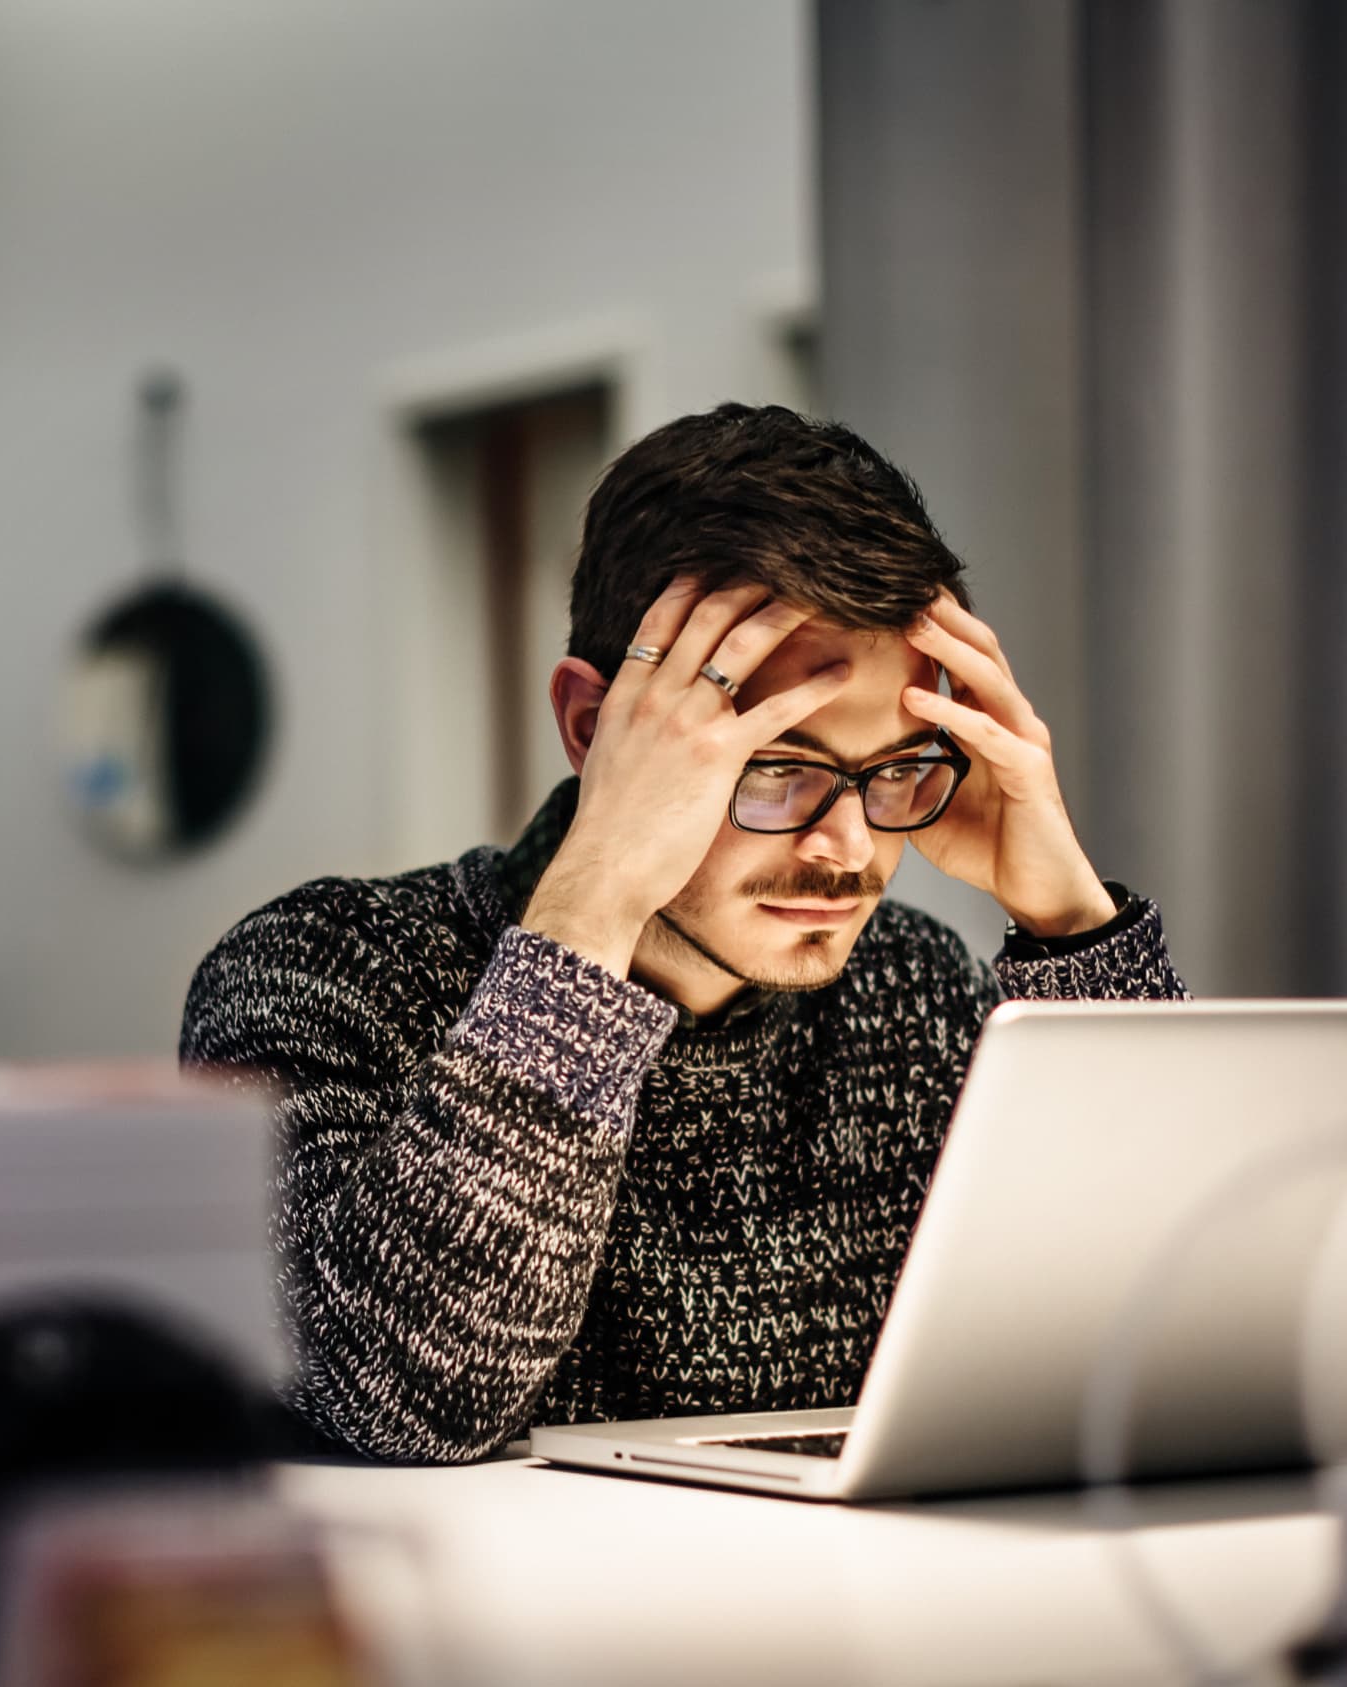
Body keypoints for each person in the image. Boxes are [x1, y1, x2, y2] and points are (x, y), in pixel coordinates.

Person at [179, 404, 1187, 1463]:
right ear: (591, 728)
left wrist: (1075, 924)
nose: (847, 846)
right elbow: (412, 1405)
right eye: (778, 765)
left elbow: (1175, 1333)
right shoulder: (318, 971)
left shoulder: (919, 991)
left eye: (893, 769)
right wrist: (599, 892)